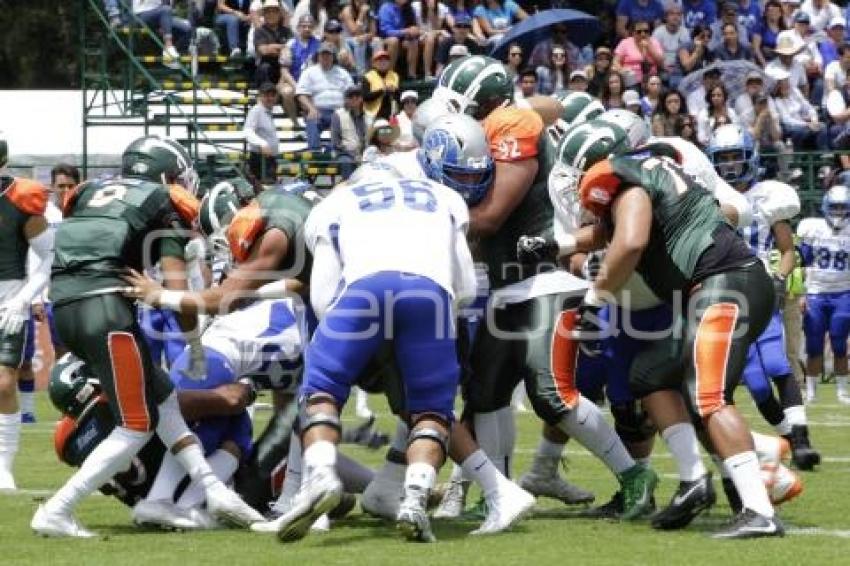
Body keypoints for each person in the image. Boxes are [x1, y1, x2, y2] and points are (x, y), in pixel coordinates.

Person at [434, 58, 652, 521]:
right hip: (508, 286)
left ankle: (636, 476)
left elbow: (490, 218)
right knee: (485, 395)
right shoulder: (505, 121)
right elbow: (550, 105)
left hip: (545, 281)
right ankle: (498, 492)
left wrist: (430, 216)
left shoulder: (511, 124)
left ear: (478, 100)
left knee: (551, 394)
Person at [32, 136, 264, 537]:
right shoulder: (164, 202)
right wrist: (195, 345)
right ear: (165, 175)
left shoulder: (88, 192)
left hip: (64, 307)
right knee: (137, 424)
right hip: (104, 309)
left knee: (163, 398)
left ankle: (212, 490)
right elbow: (177, 293)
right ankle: (58, 509)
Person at [271, 117, 483, 544]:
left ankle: (322, 476)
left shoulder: (335, 203)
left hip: (363, 291)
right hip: (430, 294)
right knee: (431, 411)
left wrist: (366, 336)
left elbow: (323, 298)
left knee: (322, 392)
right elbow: (466, 287)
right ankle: (414, 497)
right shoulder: (443, 196)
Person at [567, 130, 784, 539]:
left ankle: (759, 509)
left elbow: (629, 242)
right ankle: (694, 481)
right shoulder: (651, 176)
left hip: (724, 284)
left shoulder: (628, 182)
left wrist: (594, 300)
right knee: (650, 373)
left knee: (708, 396)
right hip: (721, 286)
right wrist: (556, 243)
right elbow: (610, 233)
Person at [708, 124, 820, 472]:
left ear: (749, 157)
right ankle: (790, 438)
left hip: (759, 288)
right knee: (756, 383)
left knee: (776, 364)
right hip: (724, 293)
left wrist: (779, 279)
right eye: (723, 158)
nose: (729, 164)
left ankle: (802, 439)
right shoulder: (707, 197)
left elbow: (787, 250)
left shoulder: (767, 196)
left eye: (734, 156)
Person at [0, 137, 52, 490]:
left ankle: (3, 465)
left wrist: (24, 299)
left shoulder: (20, 199)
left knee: (4, 383)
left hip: (9, 299)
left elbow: (50, 256)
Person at [797, 185, 850, 405]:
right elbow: (802, 263)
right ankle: (811, 392)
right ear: (826, 207)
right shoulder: (813, 228)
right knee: (814, 345)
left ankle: (842, 392)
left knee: (839, 342)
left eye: (842, 207)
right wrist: (802, 293)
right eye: (834, 207)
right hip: (816, 293)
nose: (838, 212)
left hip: (843, 293)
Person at [296, 42, 355, 149]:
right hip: (318, 110)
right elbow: (301, 94)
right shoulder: (309, 72)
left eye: (328, 54)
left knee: (345, 120)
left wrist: (347, 108)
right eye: (322, 54)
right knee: (312, 120)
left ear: (333, 56)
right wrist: (311, 109)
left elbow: (351, 93)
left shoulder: (343, 73)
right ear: (318, 56)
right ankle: (315, 152)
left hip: (340, 110)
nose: (325, 57)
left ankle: (338, 151)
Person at [769, 66, 828, 149]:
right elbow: (786, 120)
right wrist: (806, 124)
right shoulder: (775, 100)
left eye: (786, 81)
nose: (786, 84)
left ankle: (824, 153)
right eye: (782, 82)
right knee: (803, 132)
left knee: (822, 126)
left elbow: (808, 107)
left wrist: (814, 120)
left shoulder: (794, 91)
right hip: (789, 127)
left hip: (803, 121)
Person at [279, 14, 320, 123]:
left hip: (313, 83)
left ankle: (313, 122)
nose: (307, 29)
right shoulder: (290, 44)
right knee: (287, 92)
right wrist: (297, 87)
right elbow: (284, 71)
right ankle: (295, 123)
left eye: (310, 26)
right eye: (304, 26)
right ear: (298, 27)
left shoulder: (319, 44)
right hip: (293, 81)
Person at [254, 0, 294, 108]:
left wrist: (272, 47)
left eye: (274, 11)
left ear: (279, 14)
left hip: (285, 67)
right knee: (264, 68)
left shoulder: (287, 31)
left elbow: (291, 49)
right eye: (268, 12)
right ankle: (267, 97)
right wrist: (282, 47)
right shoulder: (259, 31)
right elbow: (263, 50)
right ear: (264, 14)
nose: (271, 14)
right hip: (268, 68)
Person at [131, 0, 193, 69]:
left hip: (159, 15)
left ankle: (176, 58)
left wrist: (163, 24)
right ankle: (168, 47)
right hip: (140, 15)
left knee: (186, 28)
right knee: (165, 10)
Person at [244, 82, 280, 183]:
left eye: (272, 95)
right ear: (260, 96)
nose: (269, 98)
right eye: (266, 95)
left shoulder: (268, 111)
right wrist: (262, 143)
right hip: (260, 159)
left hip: (269, 159)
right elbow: (248, 131)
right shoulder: (256, 111)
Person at [613, 19, 664, 89]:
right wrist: (621, 69)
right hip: (630, 78)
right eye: (639, 32)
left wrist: (649, 47)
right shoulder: (625, 43)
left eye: (646, 31)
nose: (643, 34)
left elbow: (660, 62)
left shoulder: (654, 42)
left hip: (650, 78)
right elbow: (615, 61)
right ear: (633, 33)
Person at [378, 0, 421, 80]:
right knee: (394, 41)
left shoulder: (409, 8)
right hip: (385, 38)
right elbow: (386, 31)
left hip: (402, 38)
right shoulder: (385, 8)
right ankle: (389, 74)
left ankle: (411, 74)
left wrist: (414, 30)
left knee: (413, 42)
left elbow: (413, 25)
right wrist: (405, 31)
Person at [331, 85, 368, 177]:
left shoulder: (369, 115)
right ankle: (348, 183)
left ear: (361, 98)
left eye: (357, 96)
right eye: (351, 96)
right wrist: (352, 154)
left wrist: (364, 153)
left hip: (365, 152)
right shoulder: (338, 115)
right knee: (347, 162)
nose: (354, 98)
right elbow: (336, 142)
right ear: (346, 99)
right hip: (344, 154)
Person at [652, 1, 690, 88]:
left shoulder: (685, 32)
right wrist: (663, 66)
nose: (675, 17)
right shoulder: (658, 32)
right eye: (672, 14)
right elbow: (654, 55)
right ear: (666, 17)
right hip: (661, 68)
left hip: (679, 69)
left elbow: (686, 55)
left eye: (679, 14)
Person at [339, 0, 378, 76]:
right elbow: (353, 31)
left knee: (377, 41)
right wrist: (361, 14)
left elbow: (373, 32)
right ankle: (361, 74)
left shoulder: (370, 11)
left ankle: (377, 72)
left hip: (363, 38)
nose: (361, 2)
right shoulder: (347, 11)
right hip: (347, 40)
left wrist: (366, 36)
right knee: (359, 41)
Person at [413, 0, 450, 78]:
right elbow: (415, 27)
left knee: (442, 39)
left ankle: (439, 72)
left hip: (433, 33)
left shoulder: (441, 7)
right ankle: (427, 73)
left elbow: (436, 28)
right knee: (430, 39)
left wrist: (431, 11)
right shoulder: (415, 6)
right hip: (419, 34)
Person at [363, 50, 400, 121]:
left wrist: (394, 91)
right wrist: (382, 91)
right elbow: (365, 97)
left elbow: (399, 96)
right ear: (374, 63)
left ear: (389, 63)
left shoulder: (395, 75)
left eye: (386, 60)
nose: (383, 62)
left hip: (392, 114)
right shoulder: (368, 76)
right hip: (373, 114)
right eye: (379, 60)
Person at [753, 0, 788, 67]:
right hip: (764, 62)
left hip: (780, 62)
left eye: (776, 11)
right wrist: (765, 65)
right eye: (770, 10)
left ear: (780, 14)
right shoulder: (760, 27)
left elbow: (787, 49)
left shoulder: (784, 30)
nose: (773, 13)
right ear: (766, 13)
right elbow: (756, 49)